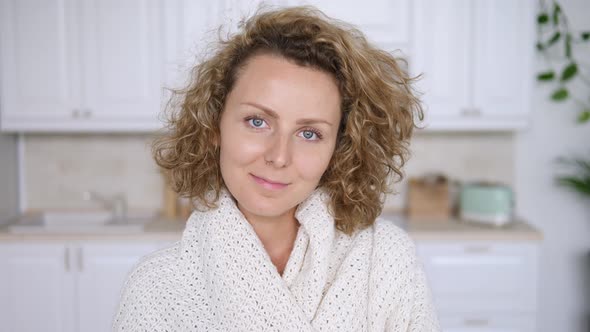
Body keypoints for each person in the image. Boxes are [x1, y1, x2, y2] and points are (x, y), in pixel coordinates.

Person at [113, 6, 439, 331]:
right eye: (257, 122)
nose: (279, 156)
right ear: (214, 125)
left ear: (339, 148)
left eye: (309, 133)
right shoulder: (155, 288)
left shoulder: (386, 259)